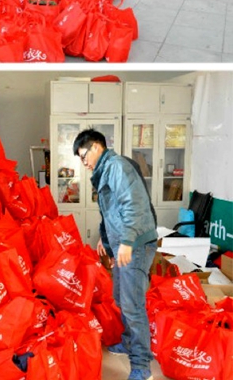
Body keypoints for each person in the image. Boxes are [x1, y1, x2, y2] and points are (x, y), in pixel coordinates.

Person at [73, 129, 157, 380]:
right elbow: (110, 213)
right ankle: (129, 342)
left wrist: (128, 242)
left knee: (132, 305)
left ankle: (142, 367)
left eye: (84, 156)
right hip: (124, 244)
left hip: (136, 244)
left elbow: (133, 204)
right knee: (121, 298)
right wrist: (108, 242)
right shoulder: (105, 172)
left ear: (96, 147)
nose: (84, 163)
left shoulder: (116, 167)